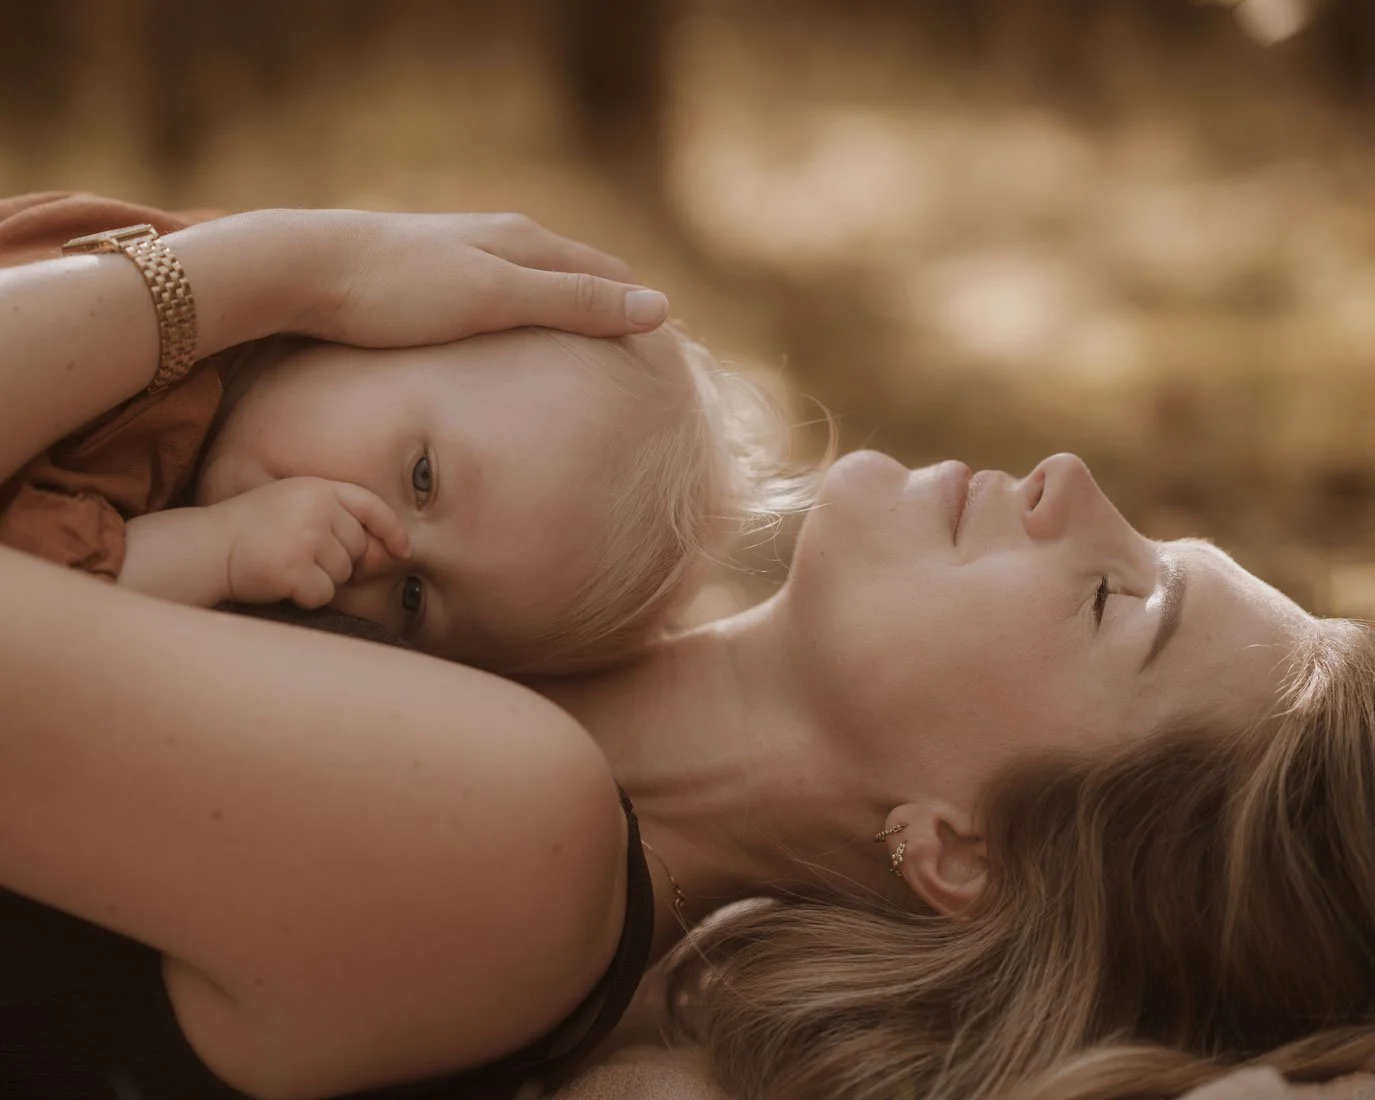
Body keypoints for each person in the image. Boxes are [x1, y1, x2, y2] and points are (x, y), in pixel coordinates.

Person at [3, 203, 1374, 1100]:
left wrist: (287, 266)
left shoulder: (508, 845)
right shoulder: (486, 576)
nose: (1068, 479)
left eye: (1117, 606)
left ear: (960, 851)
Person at [0, 193, 809, 675]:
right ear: (396, 322)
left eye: (414, 600)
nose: (373, 551)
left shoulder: (243, 626)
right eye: (421, 478)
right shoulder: (147, 378)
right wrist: (204, 551)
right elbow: (35, 598)